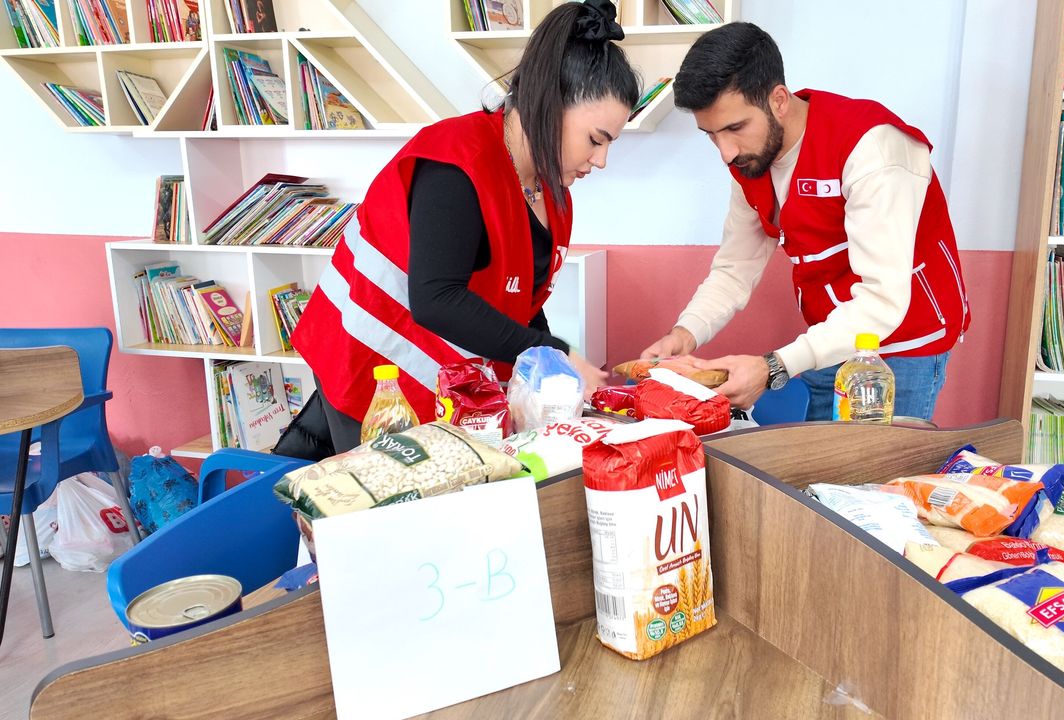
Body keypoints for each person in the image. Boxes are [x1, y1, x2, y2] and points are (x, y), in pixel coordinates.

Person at [290, 0, 639, 452]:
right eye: (595, 140)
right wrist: (555, 351)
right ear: (550, 104)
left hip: (436, 376)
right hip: (369, 363)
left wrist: (550, 366)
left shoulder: (551, 194)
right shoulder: (458, 160)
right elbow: (436, 300)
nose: (601, 159)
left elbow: (522, 305)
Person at [641, 22, 969, 422]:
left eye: (735, 128)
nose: (725, 152)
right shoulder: (749, 160)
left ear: (779, 100)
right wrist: (686, 332)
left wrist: (775, 366)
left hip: (902, 348)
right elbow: (735, 270)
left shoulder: (873, 149)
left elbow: (882, 300)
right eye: (710, 134)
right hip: (828, 339)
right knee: (819, 461)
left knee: (879, 465)